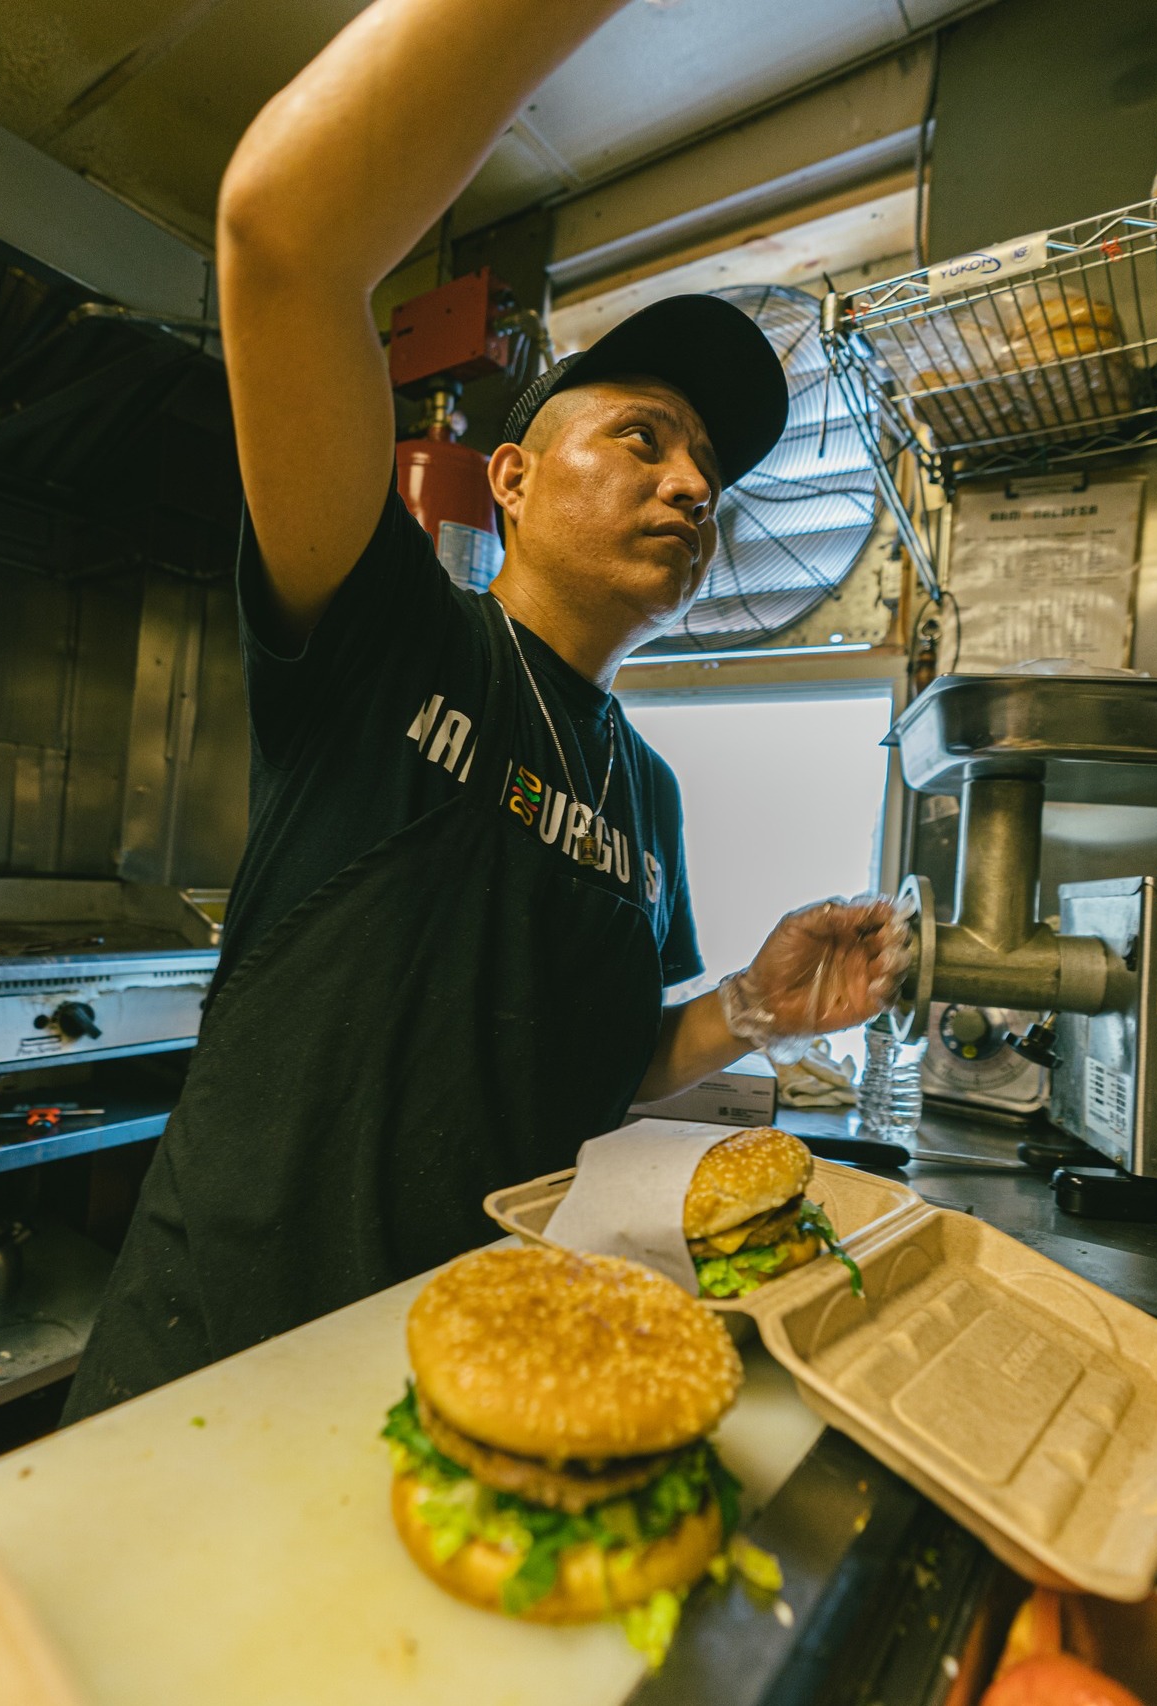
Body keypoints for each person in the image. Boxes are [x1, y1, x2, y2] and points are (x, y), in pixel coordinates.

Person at [63, 0, 908, 1422]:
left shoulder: (647, 792)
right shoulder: (394, 632)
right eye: (641, 438)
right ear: (509, 480)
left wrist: (749, 1010)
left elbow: (590, 1071)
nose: (693, 488)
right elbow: (283, 235)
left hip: (475, 1372)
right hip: (214, 1362)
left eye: (708, 471)